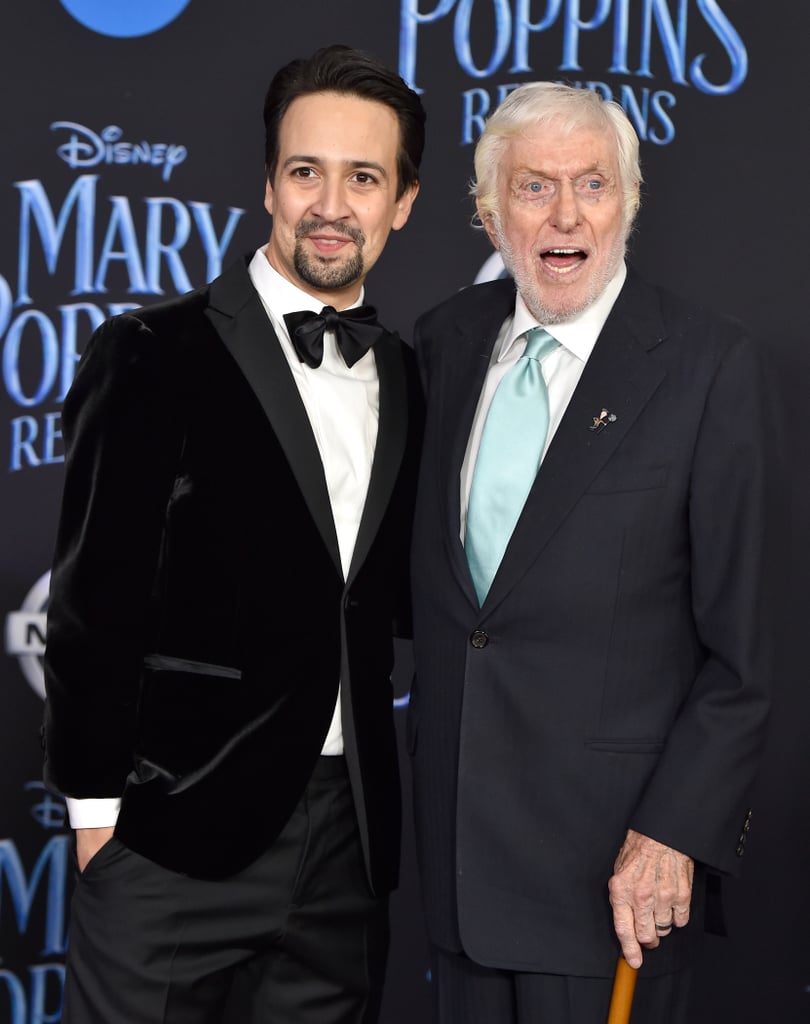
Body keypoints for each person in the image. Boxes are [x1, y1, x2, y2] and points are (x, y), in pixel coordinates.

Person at [43, 44, 424, 1024]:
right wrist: (98, 825)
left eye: (363, 177)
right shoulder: (153, 351)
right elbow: (95, 597)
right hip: (176, 838)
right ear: (269, 185)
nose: (331, 204)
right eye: (307, 171)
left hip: (347, 842)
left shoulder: (407, 379)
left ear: (404, 202)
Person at [408, 81, 770, 1023]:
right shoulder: (443, 344)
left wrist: (673, 833)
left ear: (630, 203)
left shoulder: (709, 368)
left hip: (612, 883)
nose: (566, 215)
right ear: (490, 215)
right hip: (454, 866)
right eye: (534, 188)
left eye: (593, 185)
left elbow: (748, 655)